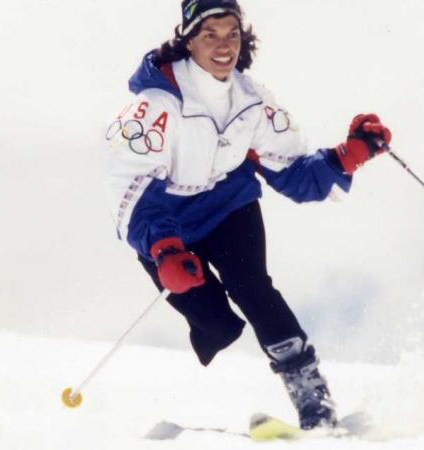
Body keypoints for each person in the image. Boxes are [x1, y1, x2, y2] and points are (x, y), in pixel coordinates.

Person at [103, 0, 391, 430]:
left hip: (228, 207)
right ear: (188, 40)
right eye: (210, 34)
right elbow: (131, 183)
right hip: (169, 227)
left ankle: (315, 403)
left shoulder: (252, 100)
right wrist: (162, 248)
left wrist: (348, 156)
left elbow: (293, 171)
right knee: (217, 326)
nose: (224, 46)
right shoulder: (157, 104)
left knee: (254, 289)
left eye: (232, 33)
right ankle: (212, 335)